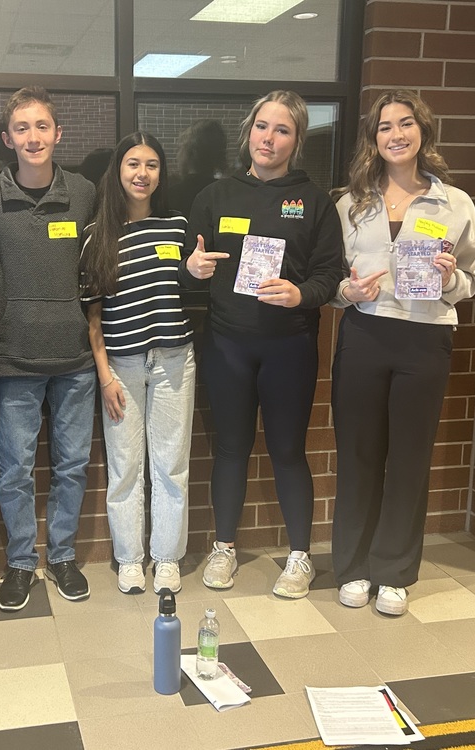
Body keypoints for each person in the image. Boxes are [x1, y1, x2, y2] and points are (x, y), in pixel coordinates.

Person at [181, 90, 344, 598]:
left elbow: (329, 276)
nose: (268, 138)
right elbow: (189, 270)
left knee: (288, 451)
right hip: (228, 345)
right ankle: (224, 547)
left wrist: (300, 293)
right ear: (247, 132)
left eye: (282, 130)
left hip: (289, 348)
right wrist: (193, 269)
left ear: (296, 141)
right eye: (261, 127)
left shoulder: (315, 202)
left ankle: (300, 556)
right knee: (229, 450)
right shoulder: (214, 197)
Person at [330, 90, 475, 616]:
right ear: (373, 139)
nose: (395, 134)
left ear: (423, 132)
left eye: (405, 124)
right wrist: (346, 294)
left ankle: (393, 571)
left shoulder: (454, 202)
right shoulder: (351, 202)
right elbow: (332, 278)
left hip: (425, 337)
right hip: (365, 334)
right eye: (384, 127)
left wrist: (452, 278)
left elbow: (472, 278)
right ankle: (351, 567)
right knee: (358, 454)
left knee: (410, 458)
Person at [0, 86, 97, 611]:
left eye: (42, 126)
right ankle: (22, 562)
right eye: (21, 129)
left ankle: (63, 556)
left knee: (72, 465)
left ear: (57, 134)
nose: (33, 137)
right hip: (14, 356)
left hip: (75, 358)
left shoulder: (86, 193)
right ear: (7, 139)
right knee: (16, 469)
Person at [81, 132, 195, 596]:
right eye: (132, 163)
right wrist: (104, 376)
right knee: (125, 465)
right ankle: (130, 558)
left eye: (151, 164)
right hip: (121, 367)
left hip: (174, 360)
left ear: (160, 174)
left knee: (171, 464)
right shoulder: (96, 236)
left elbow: (192, 284)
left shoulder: (178, 228)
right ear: (118, 171)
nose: (142, 173)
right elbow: (93, 320)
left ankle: (166, 558)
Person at [167, 119, 228, 216]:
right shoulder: (227, 194)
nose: (177, 155)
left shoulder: (170, 196)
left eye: (180, 148)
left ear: (191, 153)